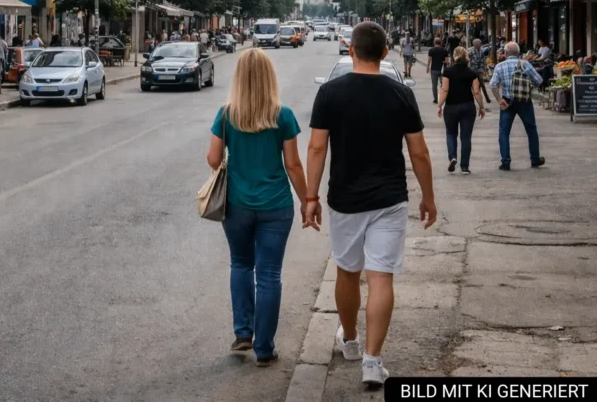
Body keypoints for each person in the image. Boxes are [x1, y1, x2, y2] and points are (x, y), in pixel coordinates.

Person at [305, 22, 436, 390]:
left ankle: (349, 341)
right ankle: (373, 363)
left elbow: (317, 148)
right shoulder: (401, 94)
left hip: (344, 198)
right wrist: (428, 197)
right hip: (389, 199)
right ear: (384, 52)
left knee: (347, 272)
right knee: (381, 277)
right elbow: (419, 152)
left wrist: (311, 198)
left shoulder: (329, 93)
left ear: (351, 51)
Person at [206, 48, 312, 365]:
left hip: (236, 204)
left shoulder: (226, 114)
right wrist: (309, 201)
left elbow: (213, 159)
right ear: (269, 78)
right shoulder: (283, 115)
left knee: (240, 264)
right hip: (276, 206)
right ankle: (264, 349)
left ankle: (243, 333)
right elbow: (293, 165)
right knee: (269, 275)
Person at [489, 42, 545, 171]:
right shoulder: (525, 64)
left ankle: (505, 161)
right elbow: (539, 80)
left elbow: (492, 85)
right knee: (531, 129)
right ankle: (535, 159)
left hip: (507, 101)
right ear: (518, 53)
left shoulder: (500, 66)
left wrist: (499, 100)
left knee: (504, 132)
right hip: (524, 101)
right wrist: (529, 86)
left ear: (506, 53)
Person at [438, 47, 486, 175]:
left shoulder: (448, 71)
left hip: (451, 107)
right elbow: (476, 92)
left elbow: (444, 90)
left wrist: (439, 105)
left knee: (451, 133)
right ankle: (464, 167)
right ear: (466, 56)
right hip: (468, 106)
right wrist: (481, 107)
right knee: (466, 137)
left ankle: (452, 157)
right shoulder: (471, 73)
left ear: (454, 56)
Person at [467, 39, 492, 106]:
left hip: (479, 70)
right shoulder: (471, 51)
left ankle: (486, 98)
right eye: (479, 43)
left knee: (482, 84)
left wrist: (484, 68)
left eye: (481, 43)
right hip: (472, 70)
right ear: (475, 44)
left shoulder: (481, 51)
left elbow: (483, 60)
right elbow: (467, 59)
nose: (481, 45)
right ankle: (472, 98)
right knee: (472, 85)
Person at [426, 38, 448, 104]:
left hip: (434, 69)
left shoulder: (431, 50)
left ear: (434, 42)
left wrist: (427, 68)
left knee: (434, 85)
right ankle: (442, 98)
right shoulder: (444, 50)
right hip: (442, 70)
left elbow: (429, 60)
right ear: (440, 43)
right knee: (443, 85)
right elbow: (447, 61)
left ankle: (436, 99)